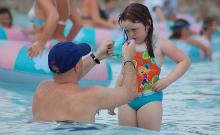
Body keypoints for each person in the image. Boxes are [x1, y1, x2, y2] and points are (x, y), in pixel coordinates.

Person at [108, 3, 191, 131]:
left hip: (150, 98)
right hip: (126, 99)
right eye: (127, 31)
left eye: (134, 29)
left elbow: (184, 60)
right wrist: (114, 97)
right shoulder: (127, 46)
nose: (131, 34)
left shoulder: (159, 44)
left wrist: (167, 80)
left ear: (148, 23)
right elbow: (123, 73)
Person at [32, 40, 138, 122]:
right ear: (77, 67)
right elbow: (130, 92)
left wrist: (96, 56)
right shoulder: (91, 96)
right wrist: (129, 58)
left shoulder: (42, 89)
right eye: (80, 59)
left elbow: (67, 77)